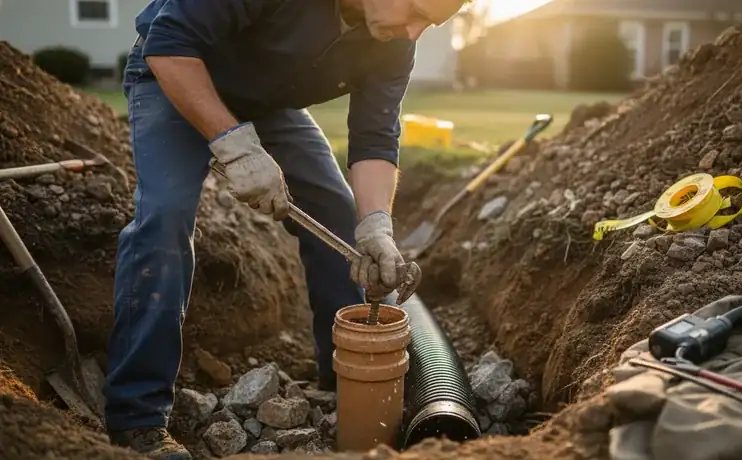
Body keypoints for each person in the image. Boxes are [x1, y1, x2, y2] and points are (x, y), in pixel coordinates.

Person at [103, 0, 469, 458]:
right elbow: (169, 44)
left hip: (265, 100)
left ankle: (343, 376)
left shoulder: (391, 41)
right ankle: (136, 415)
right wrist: (235, 147)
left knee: (338, 208)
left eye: (428, 25)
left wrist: (376, 226)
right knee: (165, 219)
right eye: (415, 12)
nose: (414, 33)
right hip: (177, 74)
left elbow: (375, 136)